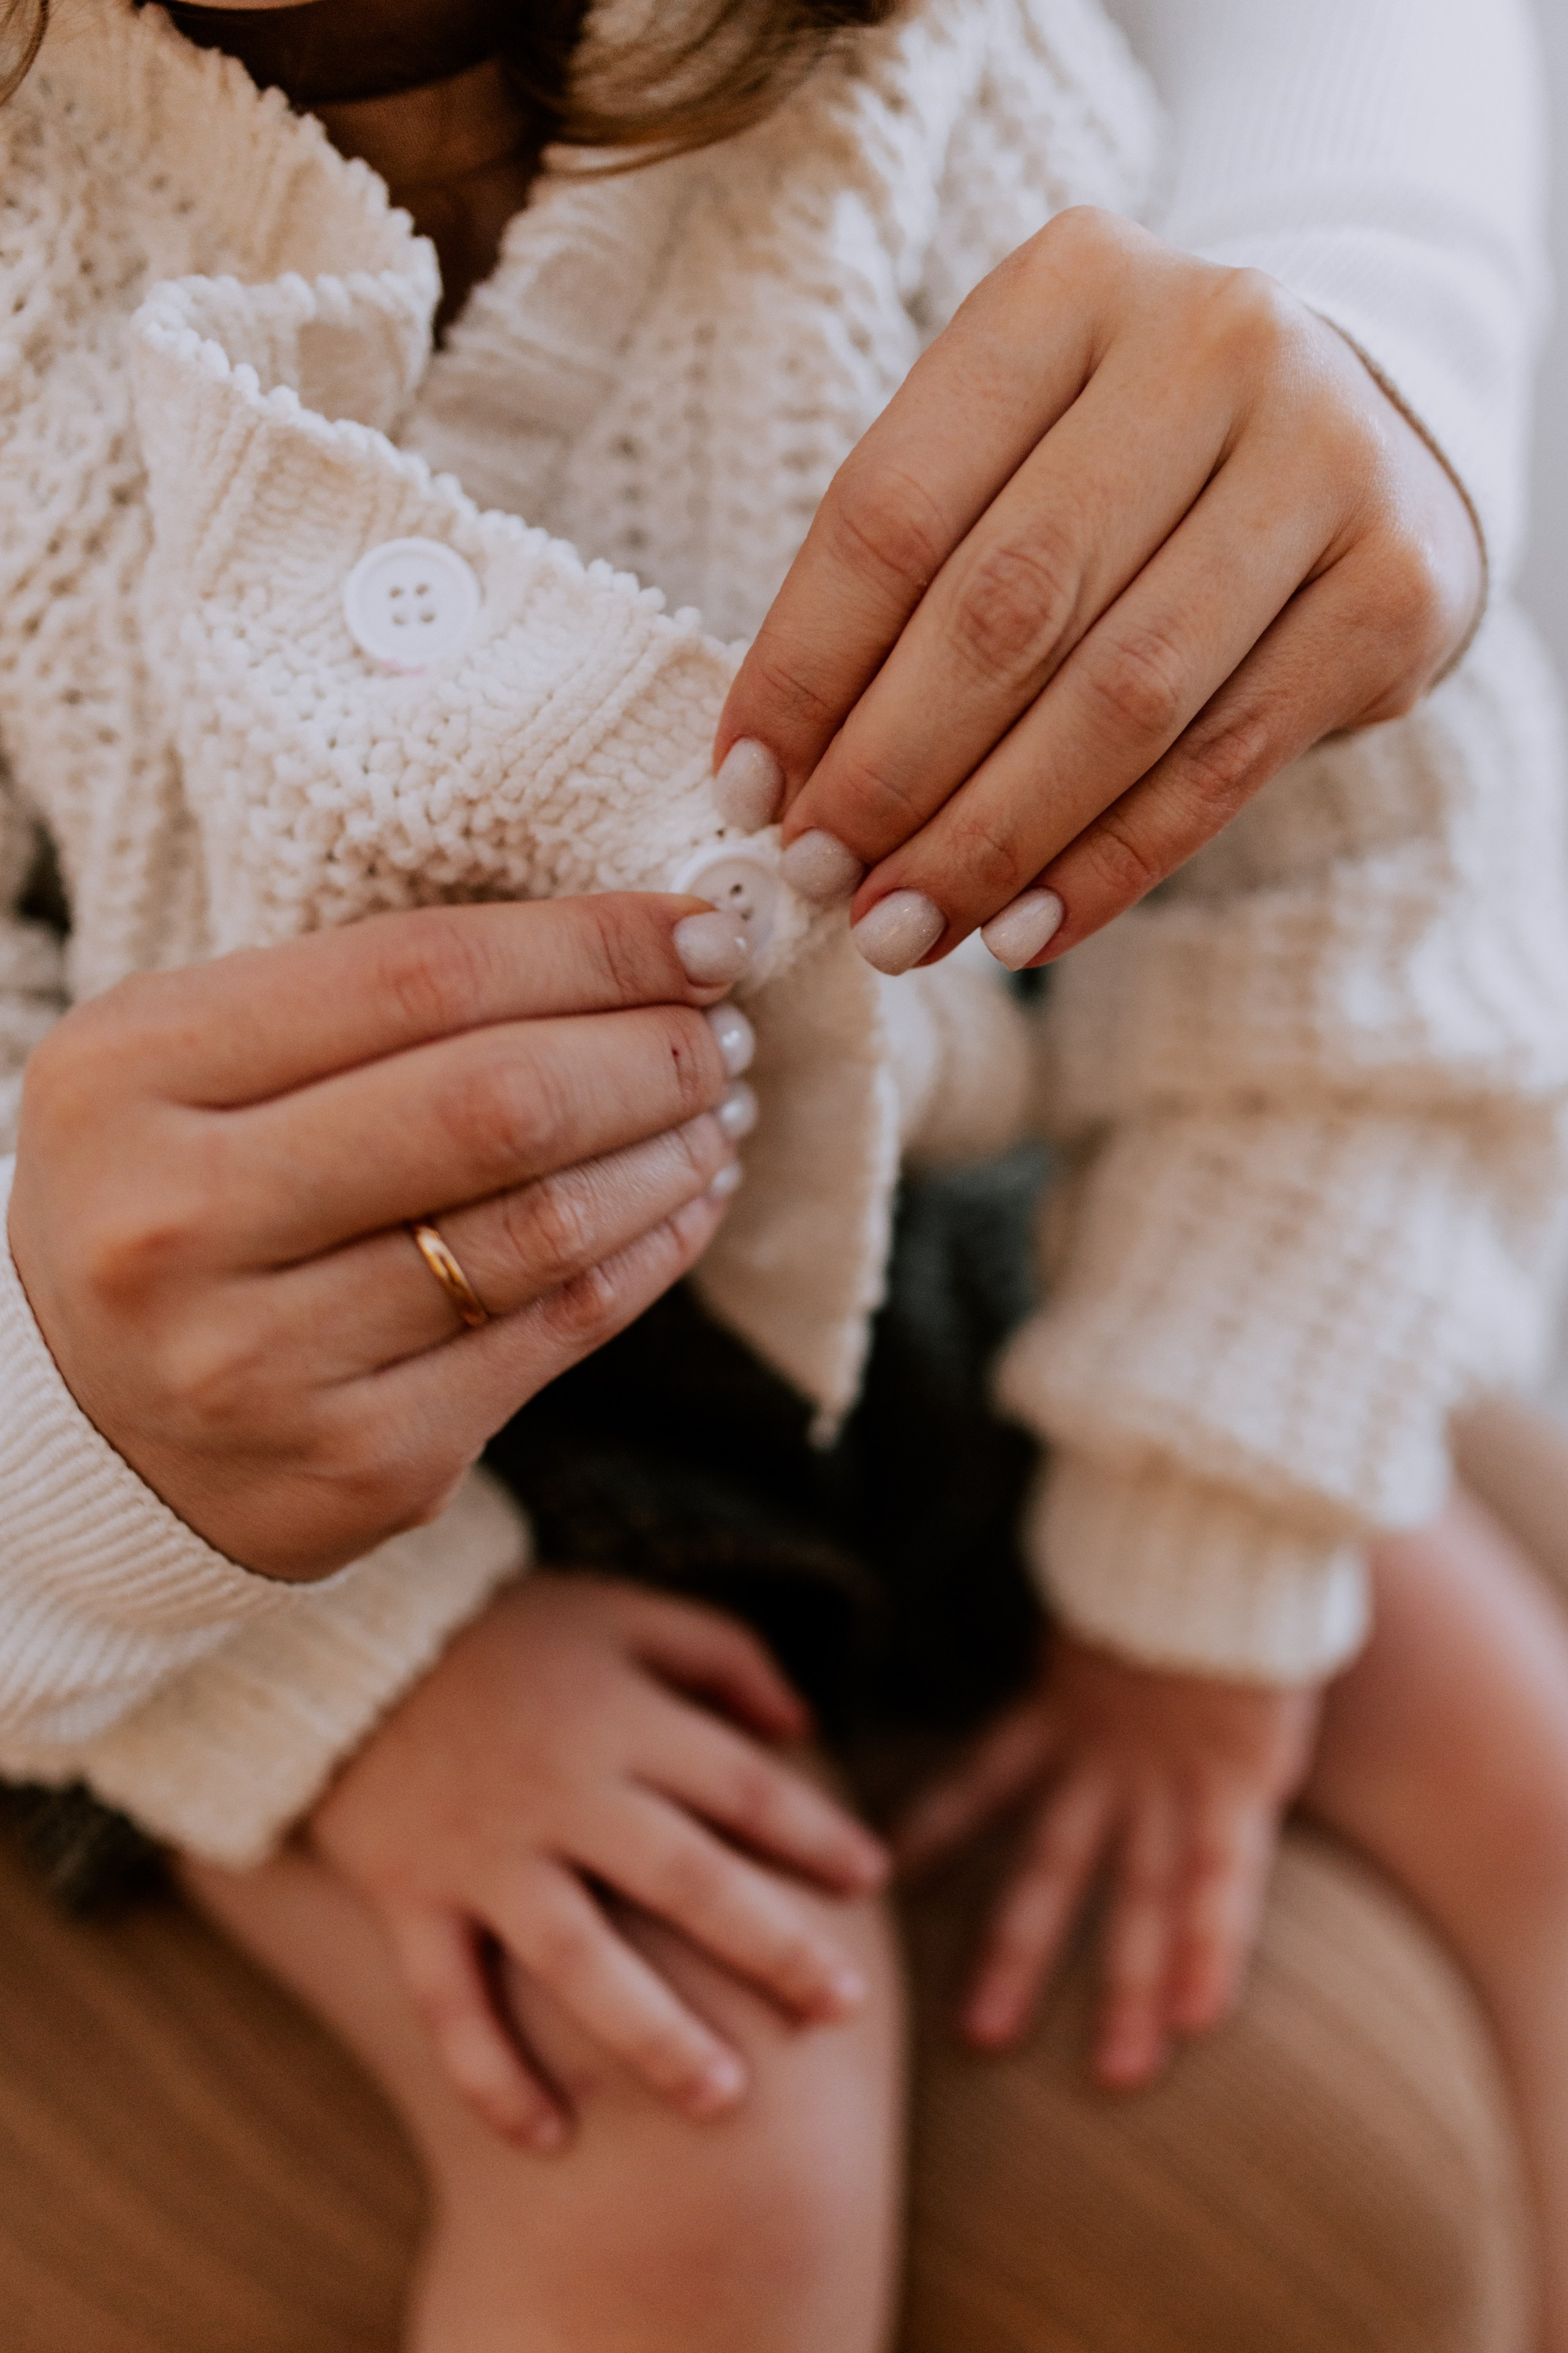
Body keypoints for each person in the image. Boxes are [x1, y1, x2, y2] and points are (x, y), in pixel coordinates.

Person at [0, 2, 1565, 2351]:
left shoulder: (940, 104)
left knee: (1518, 1768)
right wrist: (357, 1684)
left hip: (931, 1241)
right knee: (704, 2108)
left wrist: (1198, 1569)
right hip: (281, 1496)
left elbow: (1343, 884)